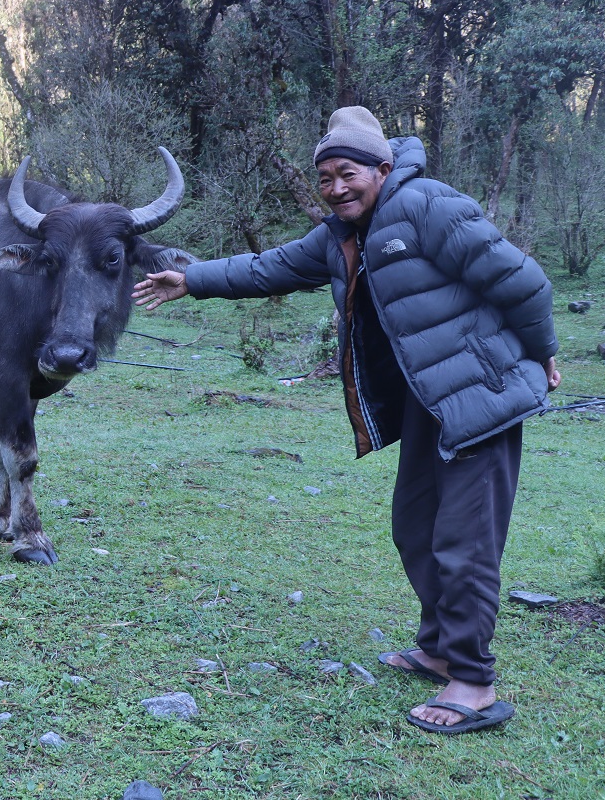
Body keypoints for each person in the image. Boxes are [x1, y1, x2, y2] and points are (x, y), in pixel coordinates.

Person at [133, 106, 560, 735]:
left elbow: (522, 281)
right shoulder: (338, 236)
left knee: (464, 543)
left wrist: (543, 351)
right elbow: (266, 267)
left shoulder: (429, 206)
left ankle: (474, 681)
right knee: (414, 526)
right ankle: (439, 647)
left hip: (482, 394)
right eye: (326, 177)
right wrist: (189, 280)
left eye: (348, 173)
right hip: (426, 404)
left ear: (382, 168)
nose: (336, 188)